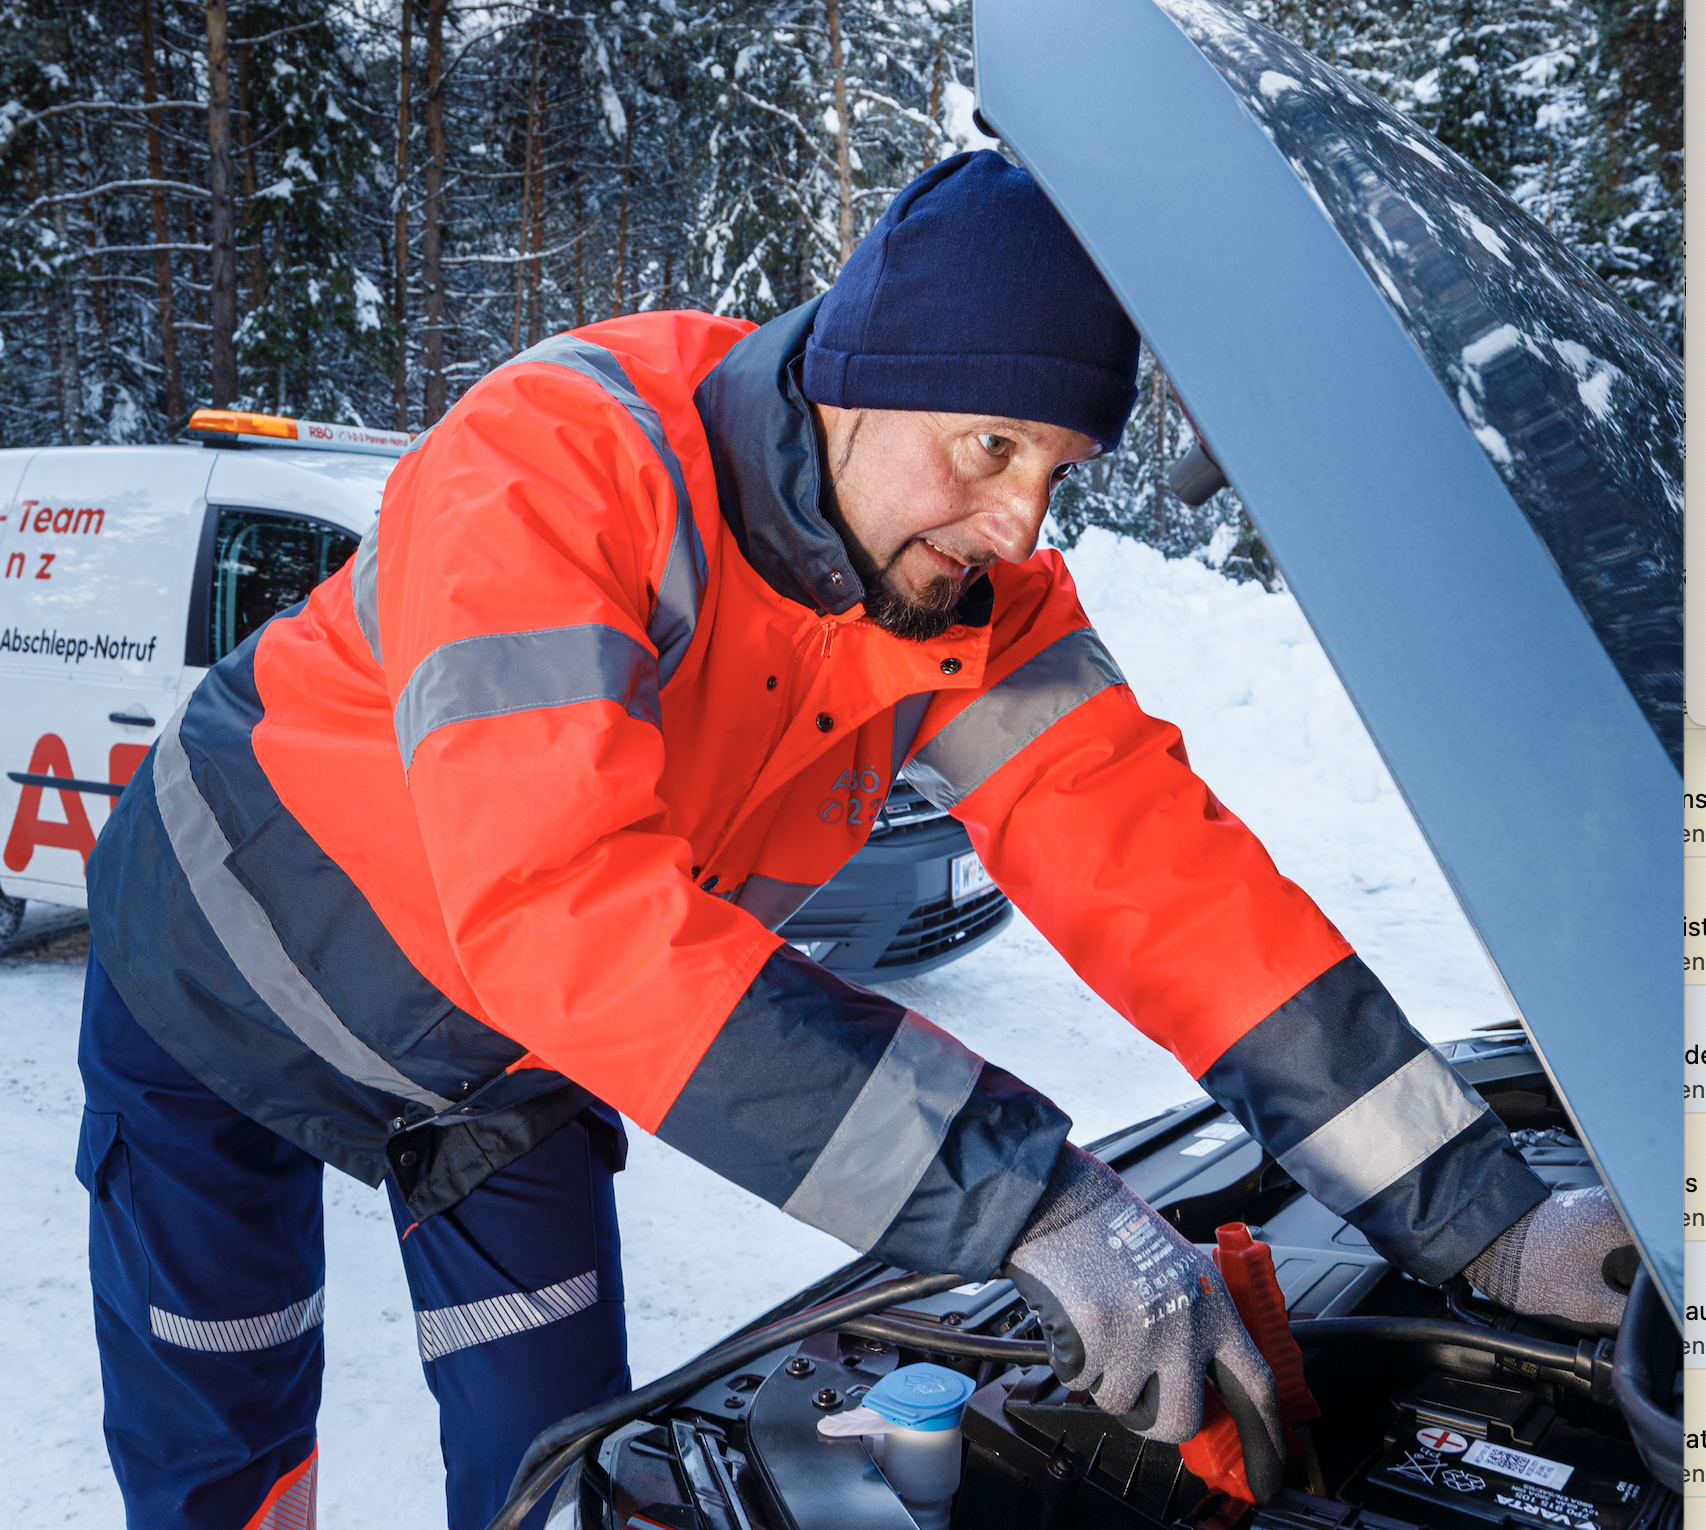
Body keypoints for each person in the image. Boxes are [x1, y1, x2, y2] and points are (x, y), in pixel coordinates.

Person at [80, 150, 1632, 1530]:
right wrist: (1030, 1191)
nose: (1020, 525)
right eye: (985, 448)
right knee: (228, 1448)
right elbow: (569, 917)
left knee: (566, 1463)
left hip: (501, 1075)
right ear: (857, 376)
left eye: (1056, 472)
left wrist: (1482, 1219)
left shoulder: (969, 598)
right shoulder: (553, 467)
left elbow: (1173, 887)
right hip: (225, 984)